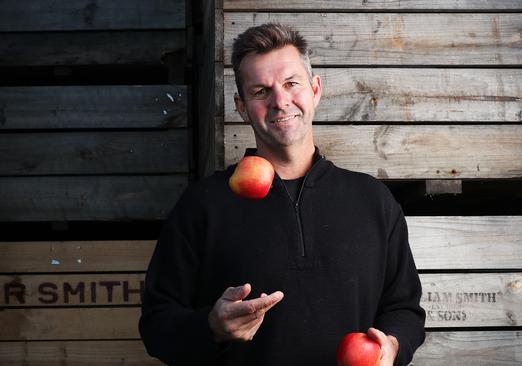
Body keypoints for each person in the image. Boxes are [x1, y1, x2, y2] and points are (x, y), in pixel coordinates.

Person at [139, 23, 425, 365]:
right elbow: (156, 325)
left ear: (315, 90)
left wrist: (392, 347)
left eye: (291, 83)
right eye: (260, 91)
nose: (280, 101)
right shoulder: (203, 205)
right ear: (242, 106)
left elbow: (404, 309)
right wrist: (212, 326)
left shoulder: (372, 200)